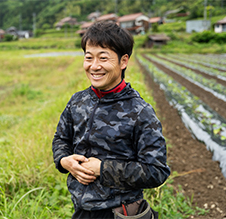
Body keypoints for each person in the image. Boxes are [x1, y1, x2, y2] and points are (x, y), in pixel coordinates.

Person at [52, 21, 170, 219]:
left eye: (103, 58)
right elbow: (61, 139)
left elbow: (156, 171)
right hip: (82, 210)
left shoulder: (140, 112)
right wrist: (65, 161)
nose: (94, 66)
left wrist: (102, 169)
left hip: (120, 213)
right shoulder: (77, 101)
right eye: (89, 57)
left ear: (123, 61)